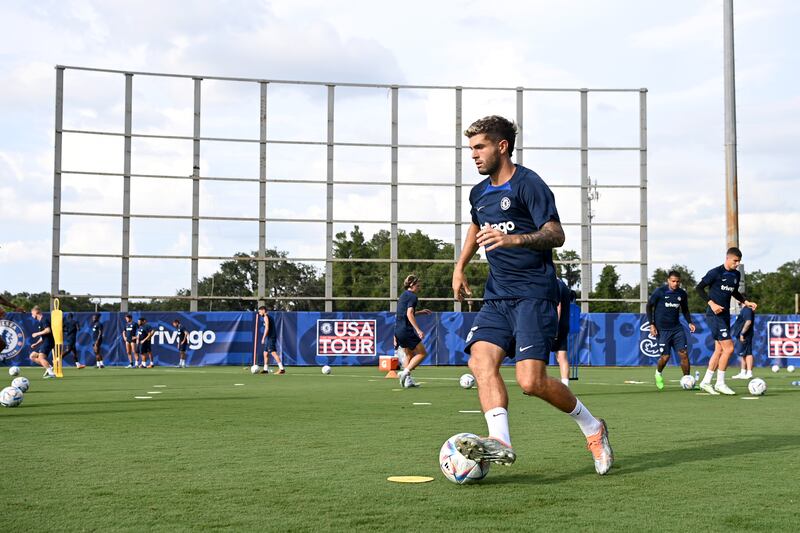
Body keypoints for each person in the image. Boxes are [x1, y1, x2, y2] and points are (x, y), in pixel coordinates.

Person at [451, 115, 613, 475]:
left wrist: (513, 239)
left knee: (531, 382)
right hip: (497, 297)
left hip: (534, 295)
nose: (473, 155)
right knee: (480, 361)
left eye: (480, 147)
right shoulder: (478, 192)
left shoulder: (529, 184)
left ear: (502, 146)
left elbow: (556, 234)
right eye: (471, 148)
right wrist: (460, 266)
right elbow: (476, 225)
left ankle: (593, 427)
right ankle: (500, 442)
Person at [695, 247, 757, 395]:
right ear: (728, 258)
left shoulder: (736, 274)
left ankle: (705, 382)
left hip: (724, 316)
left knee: (719, 350)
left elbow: (734, 292)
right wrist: (712, 304)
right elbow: (699, 289)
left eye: (739, 261)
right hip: (714, 315)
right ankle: (720, 383)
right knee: (728, 349)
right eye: (735, 261)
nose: (737, 264)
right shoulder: (715, 272)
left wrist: (745, 302)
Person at [647, 270, 696, 390]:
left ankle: (687, 379)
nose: (675, 284)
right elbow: (649, 306)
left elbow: (685, 309)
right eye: (673, 281)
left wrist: (690, 322)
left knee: (683, 353)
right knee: (665, 357)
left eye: (678, 281)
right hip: (662, 329)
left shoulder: (682, 294)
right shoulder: (660, 292)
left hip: (677, 328)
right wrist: (651, 324)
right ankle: (658, 373)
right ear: (668, 280)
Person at [394, 274, 432, 388]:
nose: (419, 288)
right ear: (412, 285)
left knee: (409, 355)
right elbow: (409, 314)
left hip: (399, 330)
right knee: (422, 353)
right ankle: (405, 373)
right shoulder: (412, 297)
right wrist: (418, 330)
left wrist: (420, 312)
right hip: (406, 330)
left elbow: (402, 314)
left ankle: (407, 381)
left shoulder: (403, 296)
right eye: (418, 285)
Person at [553, 280, 576, 387]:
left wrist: (555, 326)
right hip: (564, 325)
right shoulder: (564, 285)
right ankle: (565, 386)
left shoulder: (555, 284)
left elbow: (558, 306)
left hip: (553, 326)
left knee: (538, 355)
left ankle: (536, 383)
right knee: (562, 357)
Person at [28, 306, 56, 378]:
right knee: (32, 356)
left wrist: (36, 333)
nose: (32, 315)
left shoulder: (44, 319)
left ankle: (51, 373)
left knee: (41, 358)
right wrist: (36, 344)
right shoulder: (40, 322)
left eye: (32, 313)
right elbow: (43, 336)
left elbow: (48, 330)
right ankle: (49, 366)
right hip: (45, 341)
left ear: (36, 312)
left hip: (49, 342)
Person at [257, 306, 285, 374]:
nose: (259, 313)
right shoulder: (268, 317)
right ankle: (265, 369)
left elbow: (267, 328)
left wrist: (263, 338)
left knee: (273, 352)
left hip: (271, 337)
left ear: (263, 310)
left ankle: (281, 369)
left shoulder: (266, 317)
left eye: (260, 311)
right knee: (265, 353)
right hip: (269, 337)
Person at [730, 306, 755, 380]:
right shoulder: (744, 310)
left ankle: (749, 372)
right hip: (741, 335)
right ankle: (743, 372)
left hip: (745, 335)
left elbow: (748, 322)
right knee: (743, 354)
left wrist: (742, 333)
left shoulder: (747, 309)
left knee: (748, 353)